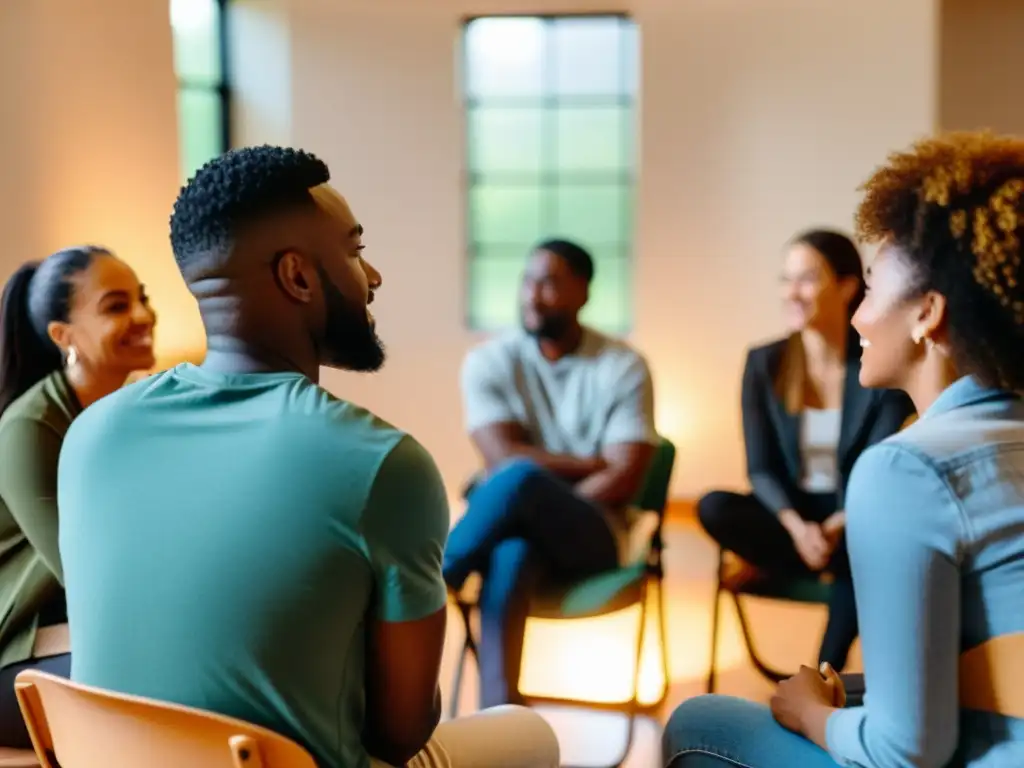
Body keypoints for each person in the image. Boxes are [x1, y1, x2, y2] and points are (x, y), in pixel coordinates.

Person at [56, 147, 559, 768]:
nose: (372, 277)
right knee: (531, 736)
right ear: (297, 277)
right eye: (354, 250)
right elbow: (400, 735)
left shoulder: (90, 435)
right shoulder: (381, 465)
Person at [663, 131, 1024, 767]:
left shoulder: (906, 468)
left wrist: (810, 713)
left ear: (926, 315)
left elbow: (907, 750)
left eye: (873, 290)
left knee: (698, 720)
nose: (858, 315)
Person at [445, 239, 659, 708]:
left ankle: (436, 578)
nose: (532, 295)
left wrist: (548, 497)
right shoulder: (490, 361)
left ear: (582, 292)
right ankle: (501, 722)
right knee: (513, 550)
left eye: (548, 283)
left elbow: (624, 479)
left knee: (522, 480)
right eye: (527, 281)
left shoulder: (623, 366)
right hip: (524, 535)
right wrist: (592, 463)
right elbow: (499, 455)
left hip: (596, 533)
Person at [697, 229, 915, 672]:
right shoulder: (764, 362)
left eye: (807, 279)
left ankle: (821, 675)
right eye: (786, 279)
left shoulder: (879, 362)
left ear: (848, 286)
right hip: (790, 520)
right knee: (713, 506)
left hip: (853, 517)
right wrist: (799, 529)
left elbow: (879, 464)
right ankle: (798, 559)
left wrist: (836, 524)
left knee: (870, 545)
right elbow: (760, 469)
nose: (791, 292)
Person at [0, 246, 156, 747]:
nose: (143, 316)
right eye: (116, 306)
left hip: (88, 635)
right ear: (63, 336)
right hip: (17, 654)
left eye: (142, 298)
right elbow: (82, 573)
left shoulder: (139, 413)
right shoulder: (29, 427)